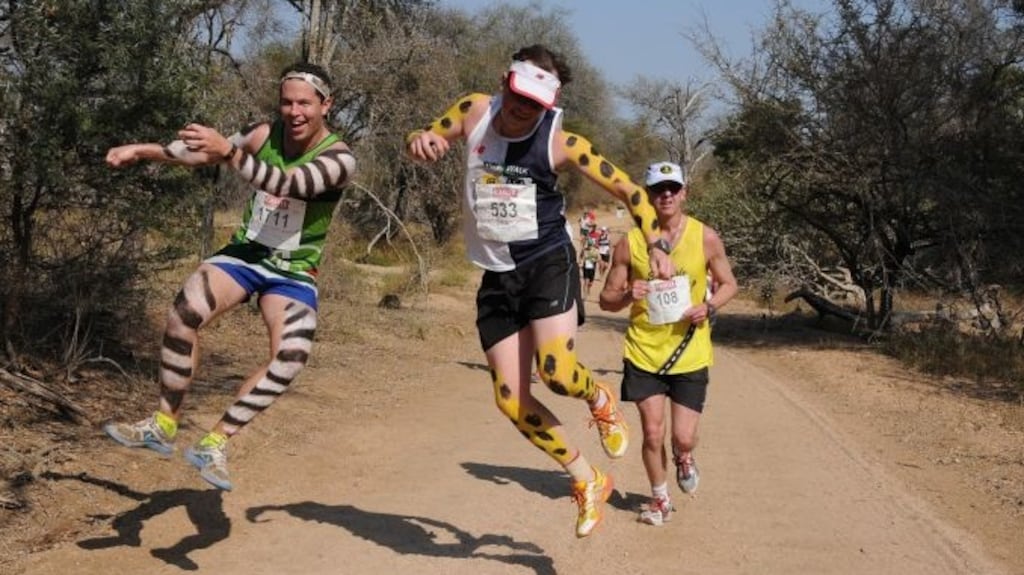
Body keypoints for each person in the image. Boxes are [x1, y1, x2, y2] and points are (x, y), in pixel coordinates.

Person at [405, 44, 675, 537]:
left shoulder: (561, 142)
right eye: (516, 97)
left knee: (556, 374)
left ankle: (597, 397)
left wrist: (657, 245)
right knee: (510, 399)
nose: (520, 110)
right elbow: (425, 136)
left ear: (548, 106)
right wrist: (421, 141)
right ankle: (587, 478)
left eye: (533, 104)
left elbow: (631, 192)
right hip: (496, 273)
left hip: (547, 261)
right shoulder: (473, 110)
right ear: (504, 83)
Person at [102, 62, 356, 491]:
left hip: (293, 270)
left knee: (291, 356)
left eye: (305, 104)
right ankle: (163, 424)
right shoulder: (262, 134)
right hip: (245, 254)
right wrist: (140, 150)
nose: (295, 112)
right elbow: (202, 154)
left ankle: (215, 442)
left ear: (325, 105)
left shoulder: (340, 159)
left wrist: (231, 153)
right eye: (287, 103)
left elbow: (285, 183)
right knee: (184, 312)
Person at [598, 161, 737, 526]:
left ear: (684, 193)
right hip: (644, 352)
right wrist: (628, 294)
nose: (667, 195)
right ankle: (660, 499)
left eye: (673, 188)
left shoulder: (705, 237)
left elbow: (729, 284)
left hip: (690, 352)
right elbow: (606, 300)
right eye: (659, 189)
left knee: (683, 437)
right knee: (652, 432)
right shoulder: (630, 243)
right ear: (647, 196)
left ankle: (684, 455)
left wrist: (709, 306)